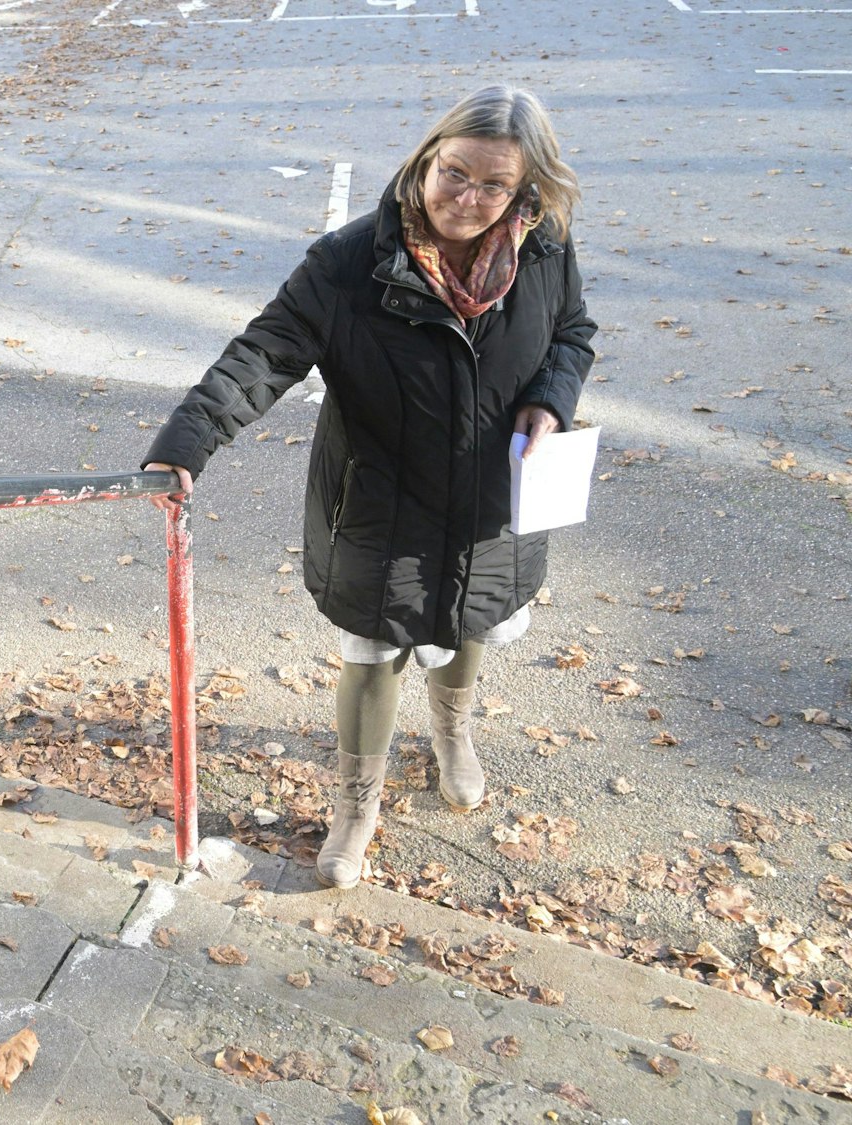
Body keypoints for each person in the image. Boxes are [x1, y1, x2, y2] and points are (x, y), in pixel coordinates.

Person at [144, 86, 597, 889]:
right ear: (427, 157)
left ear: (523, 191)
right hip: (379, 503)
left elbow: (571, 333)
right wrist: (185, 443)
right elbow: (264, 353)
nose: (468, 199)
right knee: (376, 650)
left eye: (494, 185)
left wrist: (549, 399)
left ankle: (451, 735)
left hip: (495, 504)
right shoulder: (351, 262)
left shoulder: (545, 247)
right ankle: (358, 804)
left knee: (471, 624)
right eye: (454, 172)